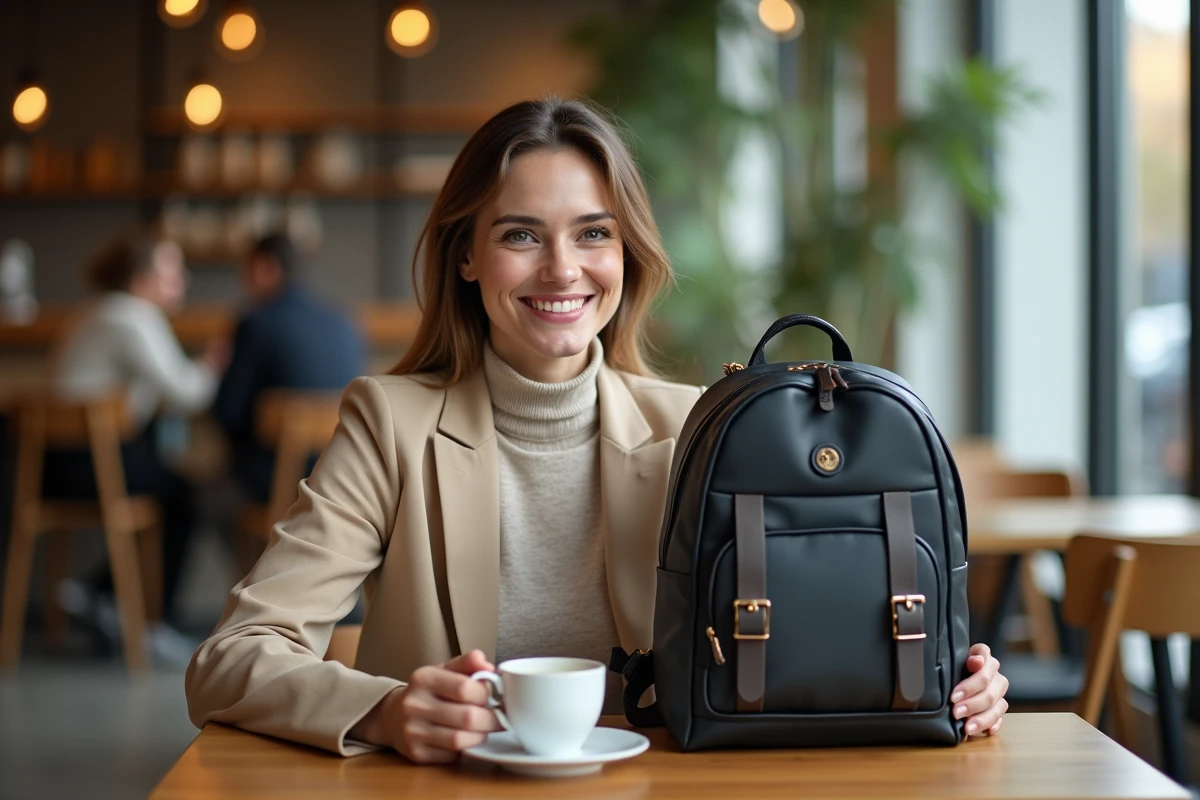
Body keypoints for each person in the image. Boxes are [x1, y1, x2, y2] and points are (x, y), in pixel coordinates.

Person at [185, 98, 1009, 762]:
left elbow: (799, 645)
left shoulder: (700, 427)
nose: (561, 270)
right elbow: (230, 659)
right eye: (519, 235)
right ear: (465, 256)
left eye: (593, 233)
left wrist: (950, 682)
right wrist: (385, 710)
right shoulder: (389, 423)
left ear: (628, 255)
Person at [49, 232, 226, 660]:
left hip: (54, 463)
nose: (182, 279)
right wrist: (216, 362)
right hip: (89, 463)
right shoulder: (133, 317)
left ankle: (97, 594)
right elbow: (188, 392)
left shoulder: (96, 312)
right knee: (185, 496)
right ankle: (151, 624)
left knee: (166, 486)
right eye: (171, 270)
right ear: (143, 279)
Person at [212, 232, 366, 505]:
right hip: (339, 478)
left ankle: (261, 549)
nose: (242, 280)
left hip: (275, 482)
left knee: (204, 497)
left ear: (264, 267)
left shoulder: (255, 323)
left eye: (246, 269)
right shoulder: (344, 321)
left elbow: (228, 413)